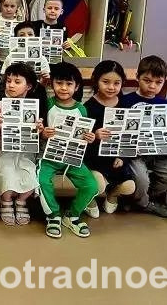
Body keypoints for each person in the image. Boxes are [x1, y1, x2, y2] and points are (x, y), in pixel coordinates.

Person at [118, 56, 167, 218]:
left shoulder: (164, 104)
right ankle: (144, 203)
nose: (152, 86)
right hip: (134, 154)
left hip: (157, 153)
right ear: (137, 77)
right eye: (147, 80)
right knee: (141, 179)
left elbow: (164, 129)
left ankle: (136, 197)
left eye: (158, 82)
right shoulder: (125, 101)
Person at [39, 62, 99, 238]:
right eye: (59, 83)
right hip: (49, 157)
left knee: (91, 185)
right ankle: (53, 215)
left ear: (77, 86)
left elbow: (85, 135)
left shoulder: (81, 109)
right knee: (41, 181)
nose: (64, 88)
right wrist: (43, 134)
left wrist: (90, 138)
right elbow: (39, 130)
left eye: (69, 84)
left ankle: (72, 215)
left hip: (73, 158)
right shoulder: (47, 104)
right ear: (52, 84)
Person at [0, 62, 46, 226]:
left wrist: (39, 129)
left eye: (17, 81)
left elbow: (38, 134)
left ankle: (21, 201)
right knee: (5, 170)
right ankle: (6, 201)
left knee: (29, 173)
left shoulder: (33, 108)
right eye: (8, 81)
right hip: (3, 149)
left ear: (28, 86)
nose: (11, 85)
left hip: (26, 151)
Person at [83, 61, 137, 218]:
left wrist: (123, 157)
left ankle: (113, 194)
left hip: (115, 159)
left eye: (116, 83)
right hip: (94, 159)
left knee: (130, 186)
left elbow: (130, 136)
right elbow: (81, 139)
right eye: (105, 82)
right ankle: (89, 198)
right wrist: (95, 135)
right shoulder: (88, 107)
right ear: (96, 81)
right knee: (98, 185)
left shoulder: (125, 105)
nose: (111, 87)